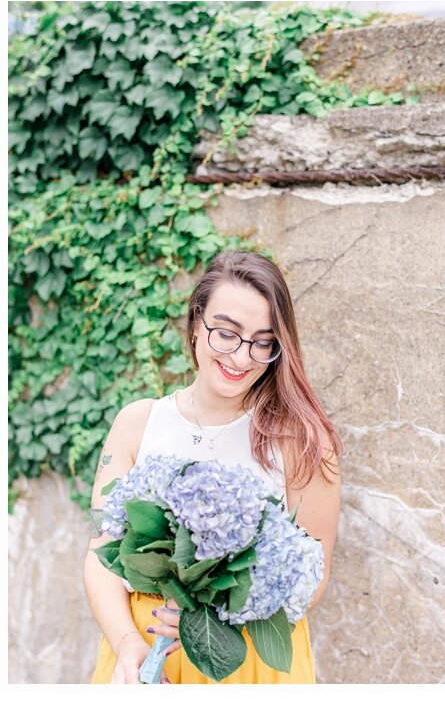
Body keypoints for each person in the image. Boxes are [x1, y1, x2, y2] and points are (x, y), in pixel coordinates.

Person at [84, 250, 341, 684]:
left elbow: (313, 576)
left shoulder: (302, 441)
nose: (242, 358)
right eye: (226, 333)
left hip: (247, 661)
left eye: (263, 342)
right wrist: (128, 643)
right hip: (146, 651)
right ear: (196, 323)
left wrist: (214, 614)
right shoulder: (137, 423)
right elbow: (100, 555)